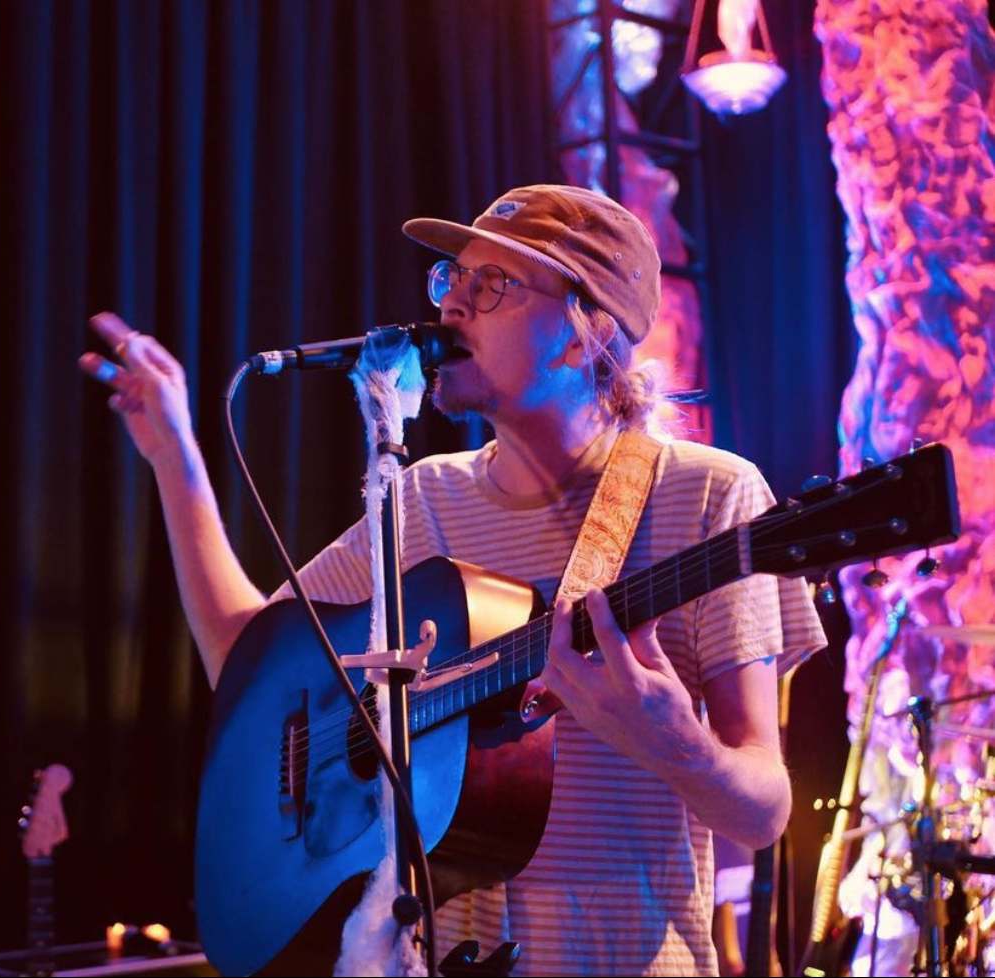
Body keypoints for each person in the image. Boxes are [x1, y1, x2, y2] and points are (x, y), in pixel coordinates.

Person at [79, 184, 826, 977]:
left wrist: (678, 745)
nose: (451, 305)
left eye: (491, 284)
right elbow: (245, 665)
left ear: (585, 334)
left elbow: (763, 812)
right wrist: (175, 458)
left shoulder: (706, 493)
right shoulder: (424, 496)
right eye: (451, 279)